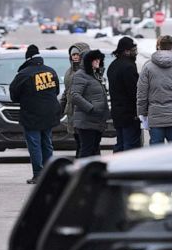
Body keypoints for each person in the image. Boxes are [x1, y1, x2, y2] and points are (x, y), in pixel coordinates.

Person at [10, 45, 62, 184]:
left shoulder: (23, 74)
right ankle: (50, 174)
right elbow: (56, 91)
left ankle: (38, 174)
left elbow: (13, 95)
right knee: (47, 143)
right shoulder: (51, 72)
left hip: (31, 114)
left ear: (27, 58)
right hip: (50, 114)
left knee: (34, 144)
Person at [70, 49, 110, 158]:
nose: (97, 61)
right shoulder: (81, 75)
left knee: (94, 150)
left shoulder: (96, 75)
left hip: (97, 120)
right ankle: (82, 174)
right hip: (86, 120)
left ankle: (94, 174)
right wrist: (91, 108)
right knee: (87, 150)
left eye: (99, 59)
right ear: (88, 61)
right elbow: (75, 95)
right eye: (94, 59)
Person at [106, 37, 141, 152]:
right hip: (129, 113)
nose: (135, 53)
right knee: (130, 146)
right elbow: (133, 91)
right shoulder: (129, 66)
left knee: (120, 144)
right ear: (126, 51)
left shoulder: (113, 65)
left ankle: (116, 167)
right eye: (133, 50)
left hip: (117, 112)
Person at [60, 42, 91, 157]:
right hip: (72, 114)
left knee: (86, 145)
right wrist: (60, 106)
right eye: (73, 55)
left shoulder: (89, 71)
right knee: (78, 142)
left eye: (78, 54)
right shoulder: (69, 72)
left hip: (84, 114)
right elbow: (67, 91)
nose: (76, 57)